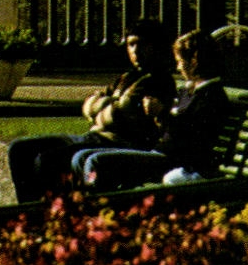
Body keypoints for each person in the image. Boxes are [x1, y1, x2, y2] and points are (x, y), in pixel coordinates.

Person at [5, 18, 176, 202]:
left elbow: (115, 116)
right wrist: (107, 106)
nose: (135, 51)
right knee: (19, 148)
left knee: (48, 160)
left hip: (117, 143)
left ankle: (50, 214)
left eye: (142, 44)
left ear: (156, 47)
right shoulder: (126, 77)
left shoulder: (158, 80)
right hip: (92, 136)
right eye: (131, 45)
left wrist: (101, 107)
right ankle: (26, 209)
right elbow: (88, 105)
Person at [70, 28, 238, 192]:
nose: (178, 67)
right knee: (81, 157)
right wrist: (159, 117)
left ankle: (101, 205)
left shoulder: (211, 96)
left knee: (96, 161)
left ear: (194, 61)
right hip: (160, 151)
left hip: (175, 160)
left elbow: (192, 138)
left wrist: (161, 114)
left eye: (180, 61)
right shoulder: (190, 91)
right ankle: (87, 200)